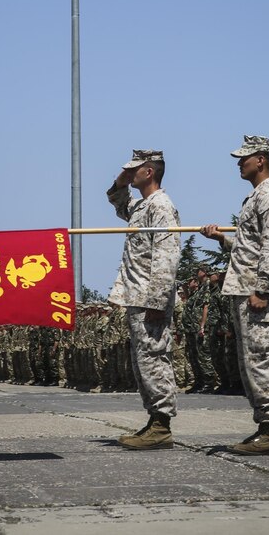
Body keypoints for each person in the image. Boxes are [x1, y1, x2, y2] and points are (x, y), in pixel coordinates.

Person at [202, 134, 269, 456]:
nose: (239, 163)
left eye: (244, 158)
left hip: (257, 294)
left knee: (262, 360)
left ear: (261, 160)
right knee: (250, 363)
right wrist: (222, 240)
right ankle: (264, 428)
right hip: (246, 290)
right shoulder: (255, 197)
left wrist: (262, 289)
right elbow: (249, 248)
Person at [107, 149, 181, 450]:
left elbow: (166, 256)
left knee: (154, 360)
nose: (130, 172)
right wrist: (121, 180)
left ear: (149, 172)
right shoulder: (142, 207)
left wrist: (156, 302)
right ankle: (154, 421)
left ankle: (162, 426)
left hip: (149, 299)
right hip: (136, 295)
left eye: (135, 169)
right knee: (143, 363)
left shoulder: (161, 206)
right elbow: (118, 201)